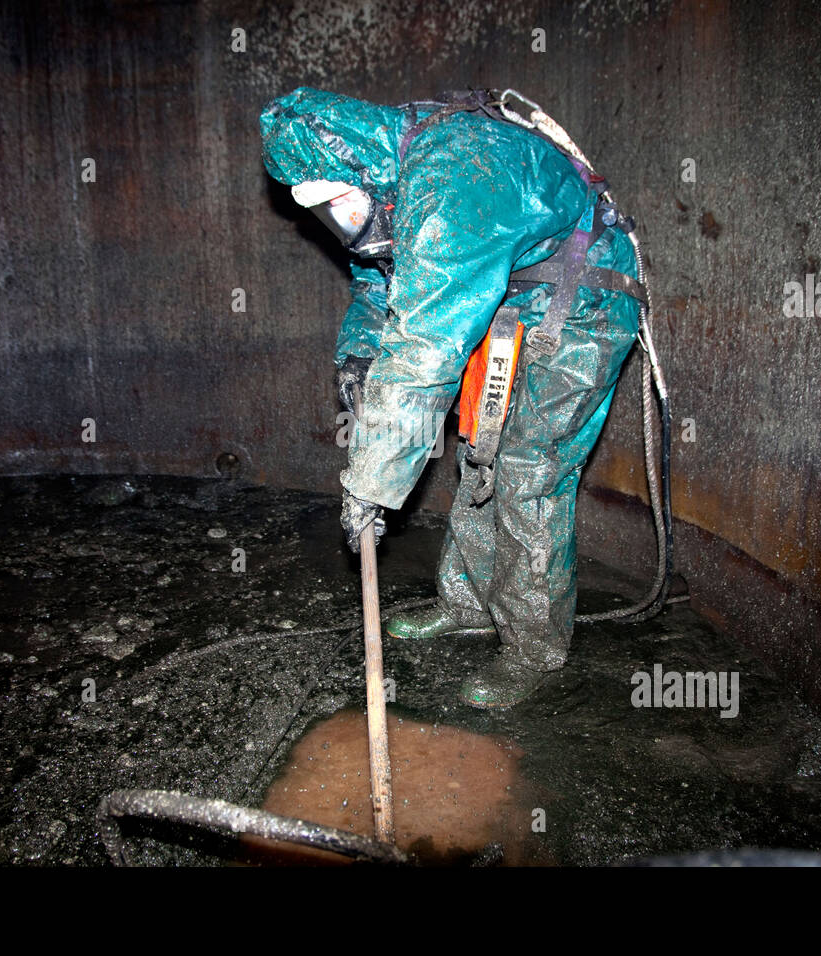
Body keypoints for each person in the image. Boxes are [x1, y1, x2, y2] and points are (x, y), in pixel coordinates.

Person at [260, 87, 642, 708]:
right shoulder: (388, 184)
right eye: (326, 215)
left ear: (357, 166)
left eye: (341, 208)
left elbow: (426, 347)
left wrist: (371, 481)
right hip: (511, 304)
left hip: (585, 306)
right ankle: (467, 603)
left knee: (529, 471)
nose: (344, 226)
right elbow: (381, 287)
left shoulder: (450, 177)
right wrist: (359, 359)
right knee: (480, 450)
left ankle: (532, 650)